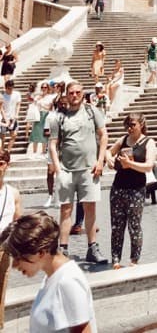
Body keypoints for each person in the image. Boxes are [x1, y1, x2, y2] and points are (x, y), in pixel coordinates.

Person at [0, 211, 97, 332]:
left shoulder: (68, 282)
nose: (14, 265)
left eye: (18, 257)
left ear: (41, 252)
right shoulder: (52, 278)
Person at [48, 80, 108, 264]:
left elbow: (103, 134)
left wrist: (100, 160)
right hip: (67, 170)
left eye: (78, 92)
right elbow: (52, 144)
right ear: (66, 94)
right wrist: (58, 170)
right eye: (71, 93)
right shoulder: (59, 117)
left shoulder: (92, 111)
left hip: (89, 169)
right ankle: (63, 249)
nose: (74, 95)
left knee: (90, 209)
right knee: (66, 210)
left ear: (83, 94)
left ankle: (92, 247)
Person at [105, 113, 155, 269]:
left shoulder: (148, 142)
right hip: (118, 188)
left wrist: (130, 164)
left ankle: (134, 259)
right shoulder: (123, 140)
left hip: (136, 190)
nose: (129, 128)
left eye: (133, 124)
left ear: (141, 124)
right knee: (116, 226)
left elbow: (149, 166)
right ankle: (115, 259)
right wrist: (110, 160)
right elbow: (108, 151)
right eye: (127, 125)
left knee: (134, 226)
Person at [1, 79, 21, 154]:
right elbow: (1, 108)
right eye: (9, 88)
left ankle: (8, 152)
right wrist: (6, 119)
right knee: (3, 137)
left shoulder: (17, 94)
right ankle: (1, 151)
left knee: (14, 135)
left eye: (12, 88)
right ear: (6, 88)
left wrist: (17, 114)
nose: (11, 90)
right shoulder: (3, 95)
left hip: (13, 118)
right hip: (4, 118)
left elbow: (18, 105)